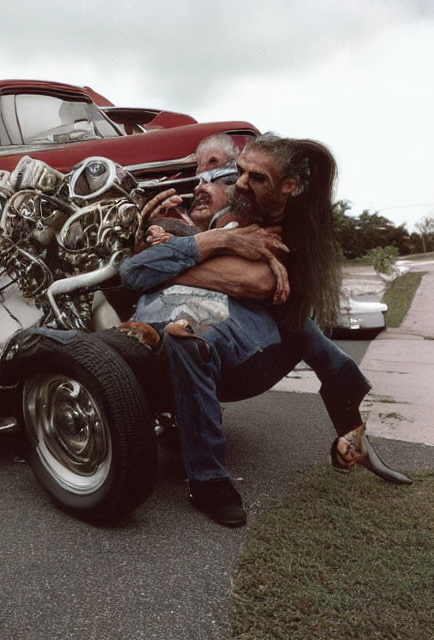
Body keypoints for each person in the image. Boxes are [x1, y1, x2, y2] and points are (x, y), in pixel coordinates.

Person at [118, 133, 411, 528]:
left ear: (289, 187)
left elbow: (255, 284)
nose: (239, 183)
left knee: (189, 338)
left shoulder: (288, 235)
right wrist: (220, 240)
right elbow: (134, 271)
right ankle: (351, 431)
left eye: (256, 178)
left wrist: (174, 262)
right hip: (209, 321)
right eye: (239, 172)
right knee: (181, 327)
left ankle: (208, 481)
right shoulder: (234, 217)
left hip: (252, 342)